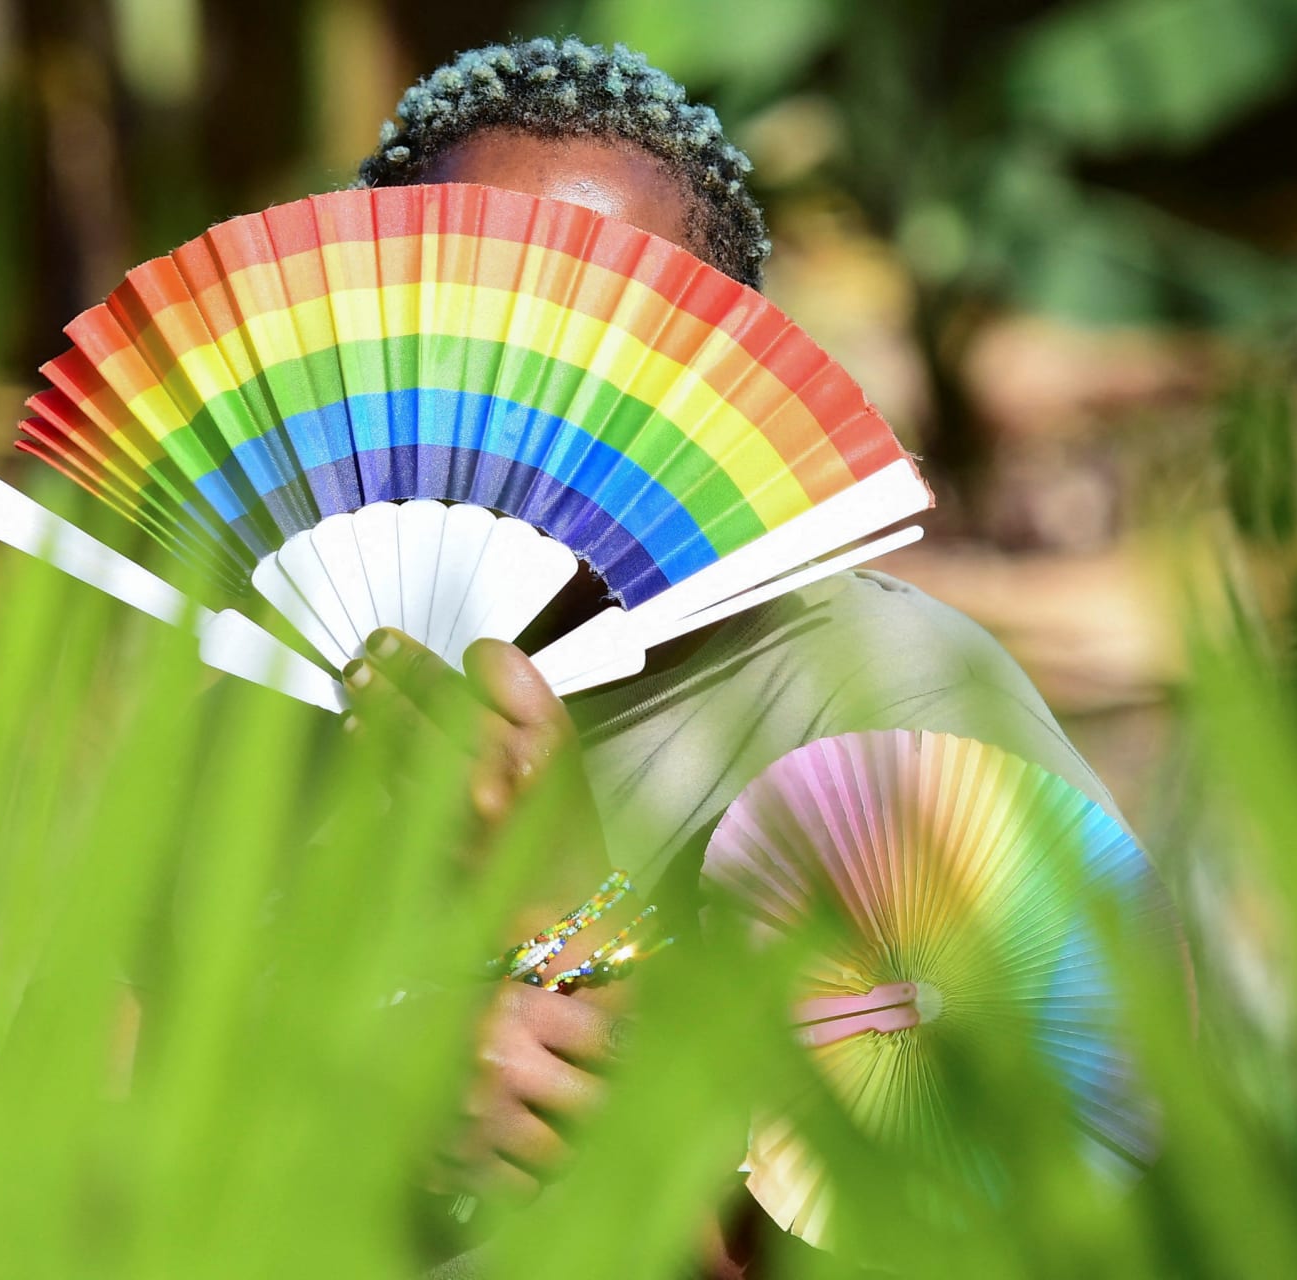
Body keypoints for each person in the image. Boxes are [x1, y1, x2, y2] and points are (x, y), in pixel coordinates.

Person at [336, 37, 1125, 1276]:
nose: (534, 392)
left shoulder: (899, 704)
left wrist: (561, 906)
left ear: (725, 369)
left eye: (613, 336)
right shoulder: (273, 694)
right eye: (470, 316)